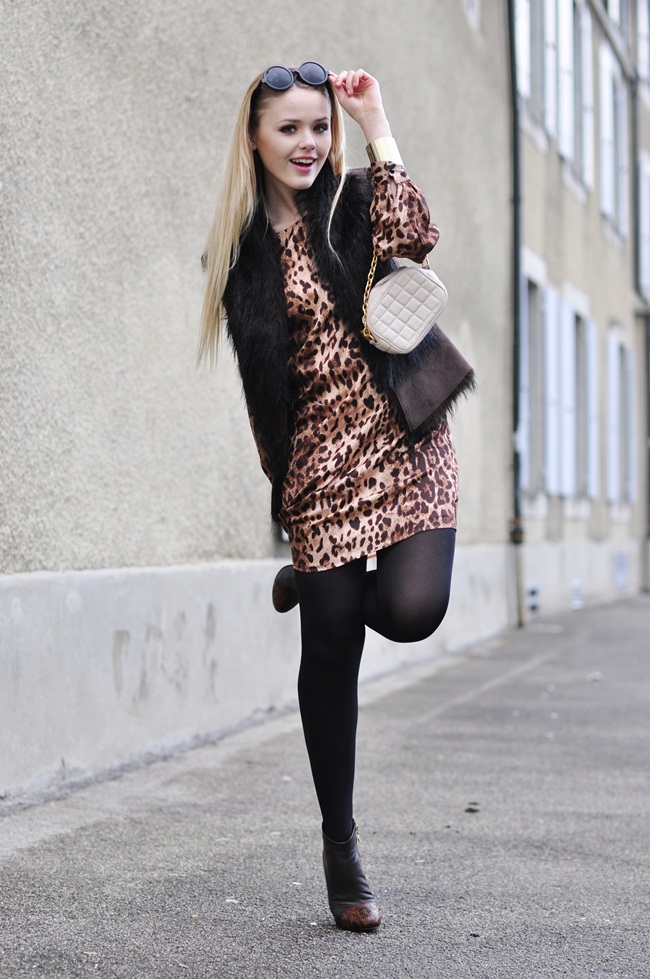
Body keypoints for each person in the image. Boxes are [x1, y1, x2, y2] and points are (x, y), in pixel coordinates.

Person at [200, 62, 473, 932]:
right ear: (255, 139)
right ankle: (341, 845)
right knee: (330, 651)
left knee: (413, 610)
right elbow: (262, 398)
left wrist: (375, 122)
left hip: (405, 438)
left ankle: (319, 586)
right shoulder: (239, 259)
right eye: (289, 128)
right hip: (319, 467)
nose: (308, 143)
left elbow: (414, 237)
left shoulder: (354, 202)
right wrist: (285, 501)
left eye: (318, 126)